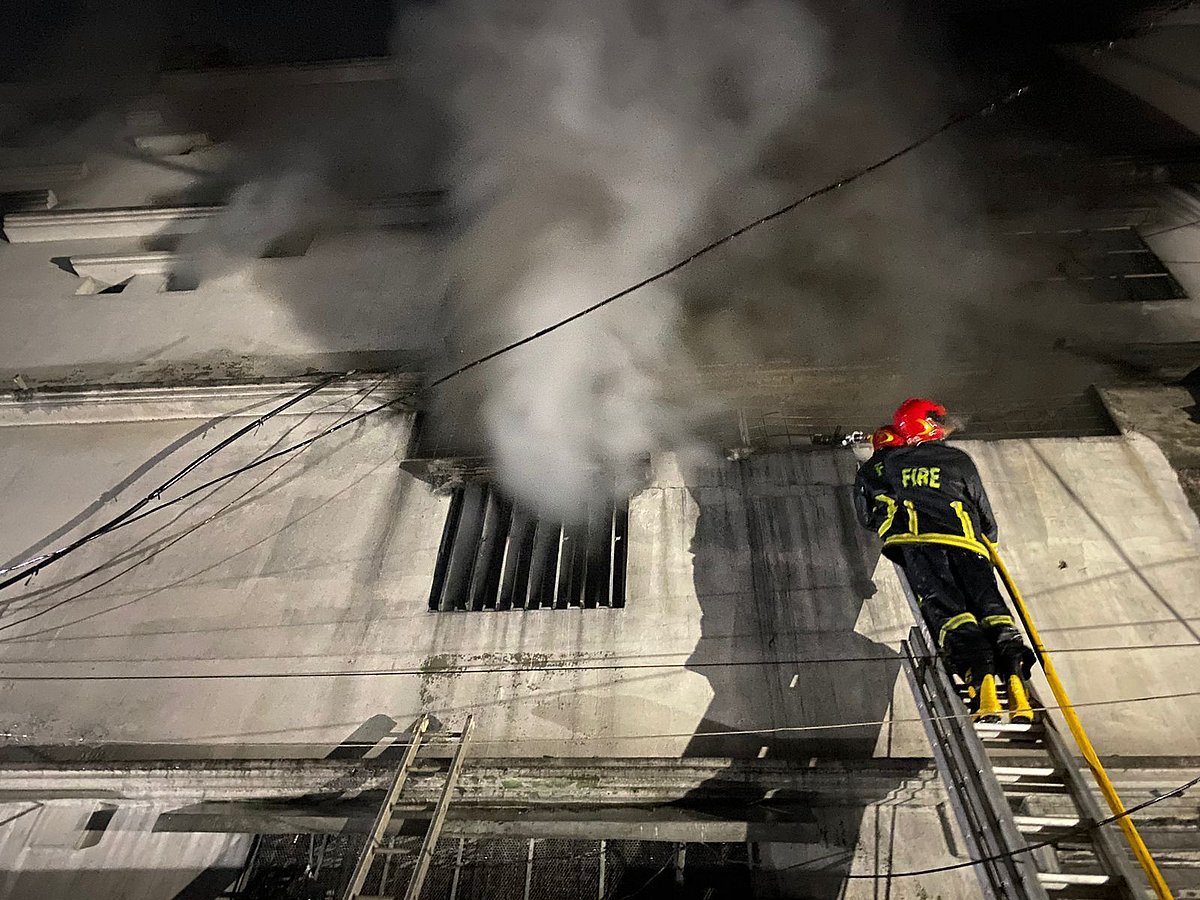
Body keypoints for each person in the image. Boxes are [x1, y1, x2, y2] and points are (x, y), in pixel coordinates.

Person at [879, 398, 1035, 724]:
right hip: (970, 546)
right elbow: (980, 505)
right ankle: (1018, 691)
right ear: (929, 424)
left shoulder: (894, 464)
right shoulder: (959, 460)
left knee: (950, 614)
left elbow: (882, 503)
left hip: (924, 548)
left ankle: (984, 690)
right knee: (992, 612)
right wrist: (988, 536)